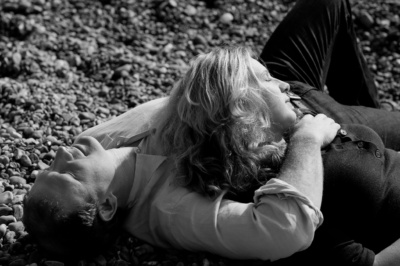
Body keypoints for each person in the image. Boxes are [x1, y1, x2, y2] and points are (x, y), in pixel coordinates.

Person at [22, 0, 400, 265]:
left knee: (324, 5)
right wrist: (306, 137)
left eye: (45, 169)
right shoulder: (172, 210)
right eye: (68, 174)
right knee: (370, 140)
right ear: (106, 206)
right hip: (305, 125)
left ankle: (371, 116)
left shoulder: (96, 144)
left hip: (267, 89)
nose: (61, 155)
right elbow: (282, 230)